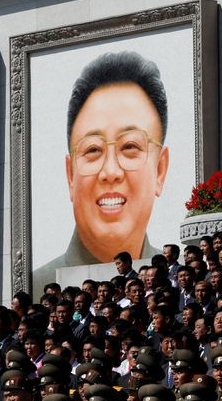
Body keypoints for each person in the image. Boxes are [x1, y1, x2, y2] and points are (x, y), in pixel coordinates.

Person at [33, 51, 170, 289]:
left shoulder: (177, 280)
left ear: (160, 170)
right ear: (70, 177)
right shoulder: (37, 287)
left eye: (129, 146)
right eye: (93, 150)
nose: (110, 172)